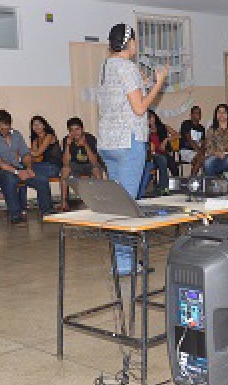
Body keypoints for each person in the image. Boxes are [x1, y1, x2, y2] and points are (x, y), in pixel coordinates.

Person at [97, 23, 167, 274]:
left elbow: (125, 99)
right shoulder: (127, 67)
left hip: (108, 142)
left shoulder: (106, 67)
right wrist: (158, 84)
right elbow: (139, 109)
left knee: (117, 205)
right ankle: (125, 264)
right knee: (127, 206)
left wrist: (143, 83)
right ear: (131, 43)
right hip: (128, 142)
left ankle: (121, 259)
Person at [0, 109, 54, 225]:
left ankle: (47, 212)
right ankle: (15, 215)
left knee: (41, 179)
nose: (5, 131)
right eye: (2, 128)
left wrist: (28, 168)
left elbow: (25, 154)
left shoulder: (16, 134)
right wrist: (16, 172)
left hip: (17, 168)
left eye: (7, 128)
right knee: (10, 179)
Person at [61, 117, 103, 210]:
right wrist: (67, 146)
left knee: (96, 169)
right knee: (64, 170)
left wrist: (85, 145)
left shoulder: (90, 138)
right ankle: (64, 202)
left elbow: (95, 161)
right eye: (71, 130)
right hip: (76, 165)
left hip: (90, 165)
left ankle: (100, 201)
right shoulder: (66, 140)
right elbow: (65, 163)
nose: (75, 132)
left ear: (82, 129)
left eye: (77, 129)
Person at [148, 110, 180, 195]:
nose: (150, 120)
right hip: (152, 155)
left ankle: (177, 186)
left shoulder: (163, 126)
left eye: (151, 117)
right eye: (148, 118)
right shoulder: (145, 130)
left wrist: (166, 140)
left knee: (172, 163)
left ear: (155, 117)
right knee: (162, 160)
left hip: (164, 153)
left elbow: (177, 135)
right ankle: (164, 188)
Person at [29, 116, 63, 180]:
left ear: (44, 125)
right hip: (43, 166)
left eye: (39, 124)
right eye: (34, 125)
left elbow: (37, 153)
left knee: (25, 170)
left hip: (54, 167)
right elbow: (35, 158)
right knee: (25, 170)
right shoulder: (35, 140)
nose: (37, 126)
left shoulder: (49, 136)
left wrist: (22, 149)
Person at [179, 106, 206, 176]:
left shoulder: (202, 128)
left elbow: (203, 143)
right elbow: (189, 140)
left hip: (197, 152)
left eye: (199, 113)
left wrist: (202, 152)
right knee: (200, 159)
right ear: (191, 115)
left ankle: (194, 178)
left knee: (205, 160)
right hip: (185, 150)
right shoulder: (186, 124)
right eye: (196, 113)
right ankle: (192, 179)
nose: (198, 115)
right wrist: (200, 153)